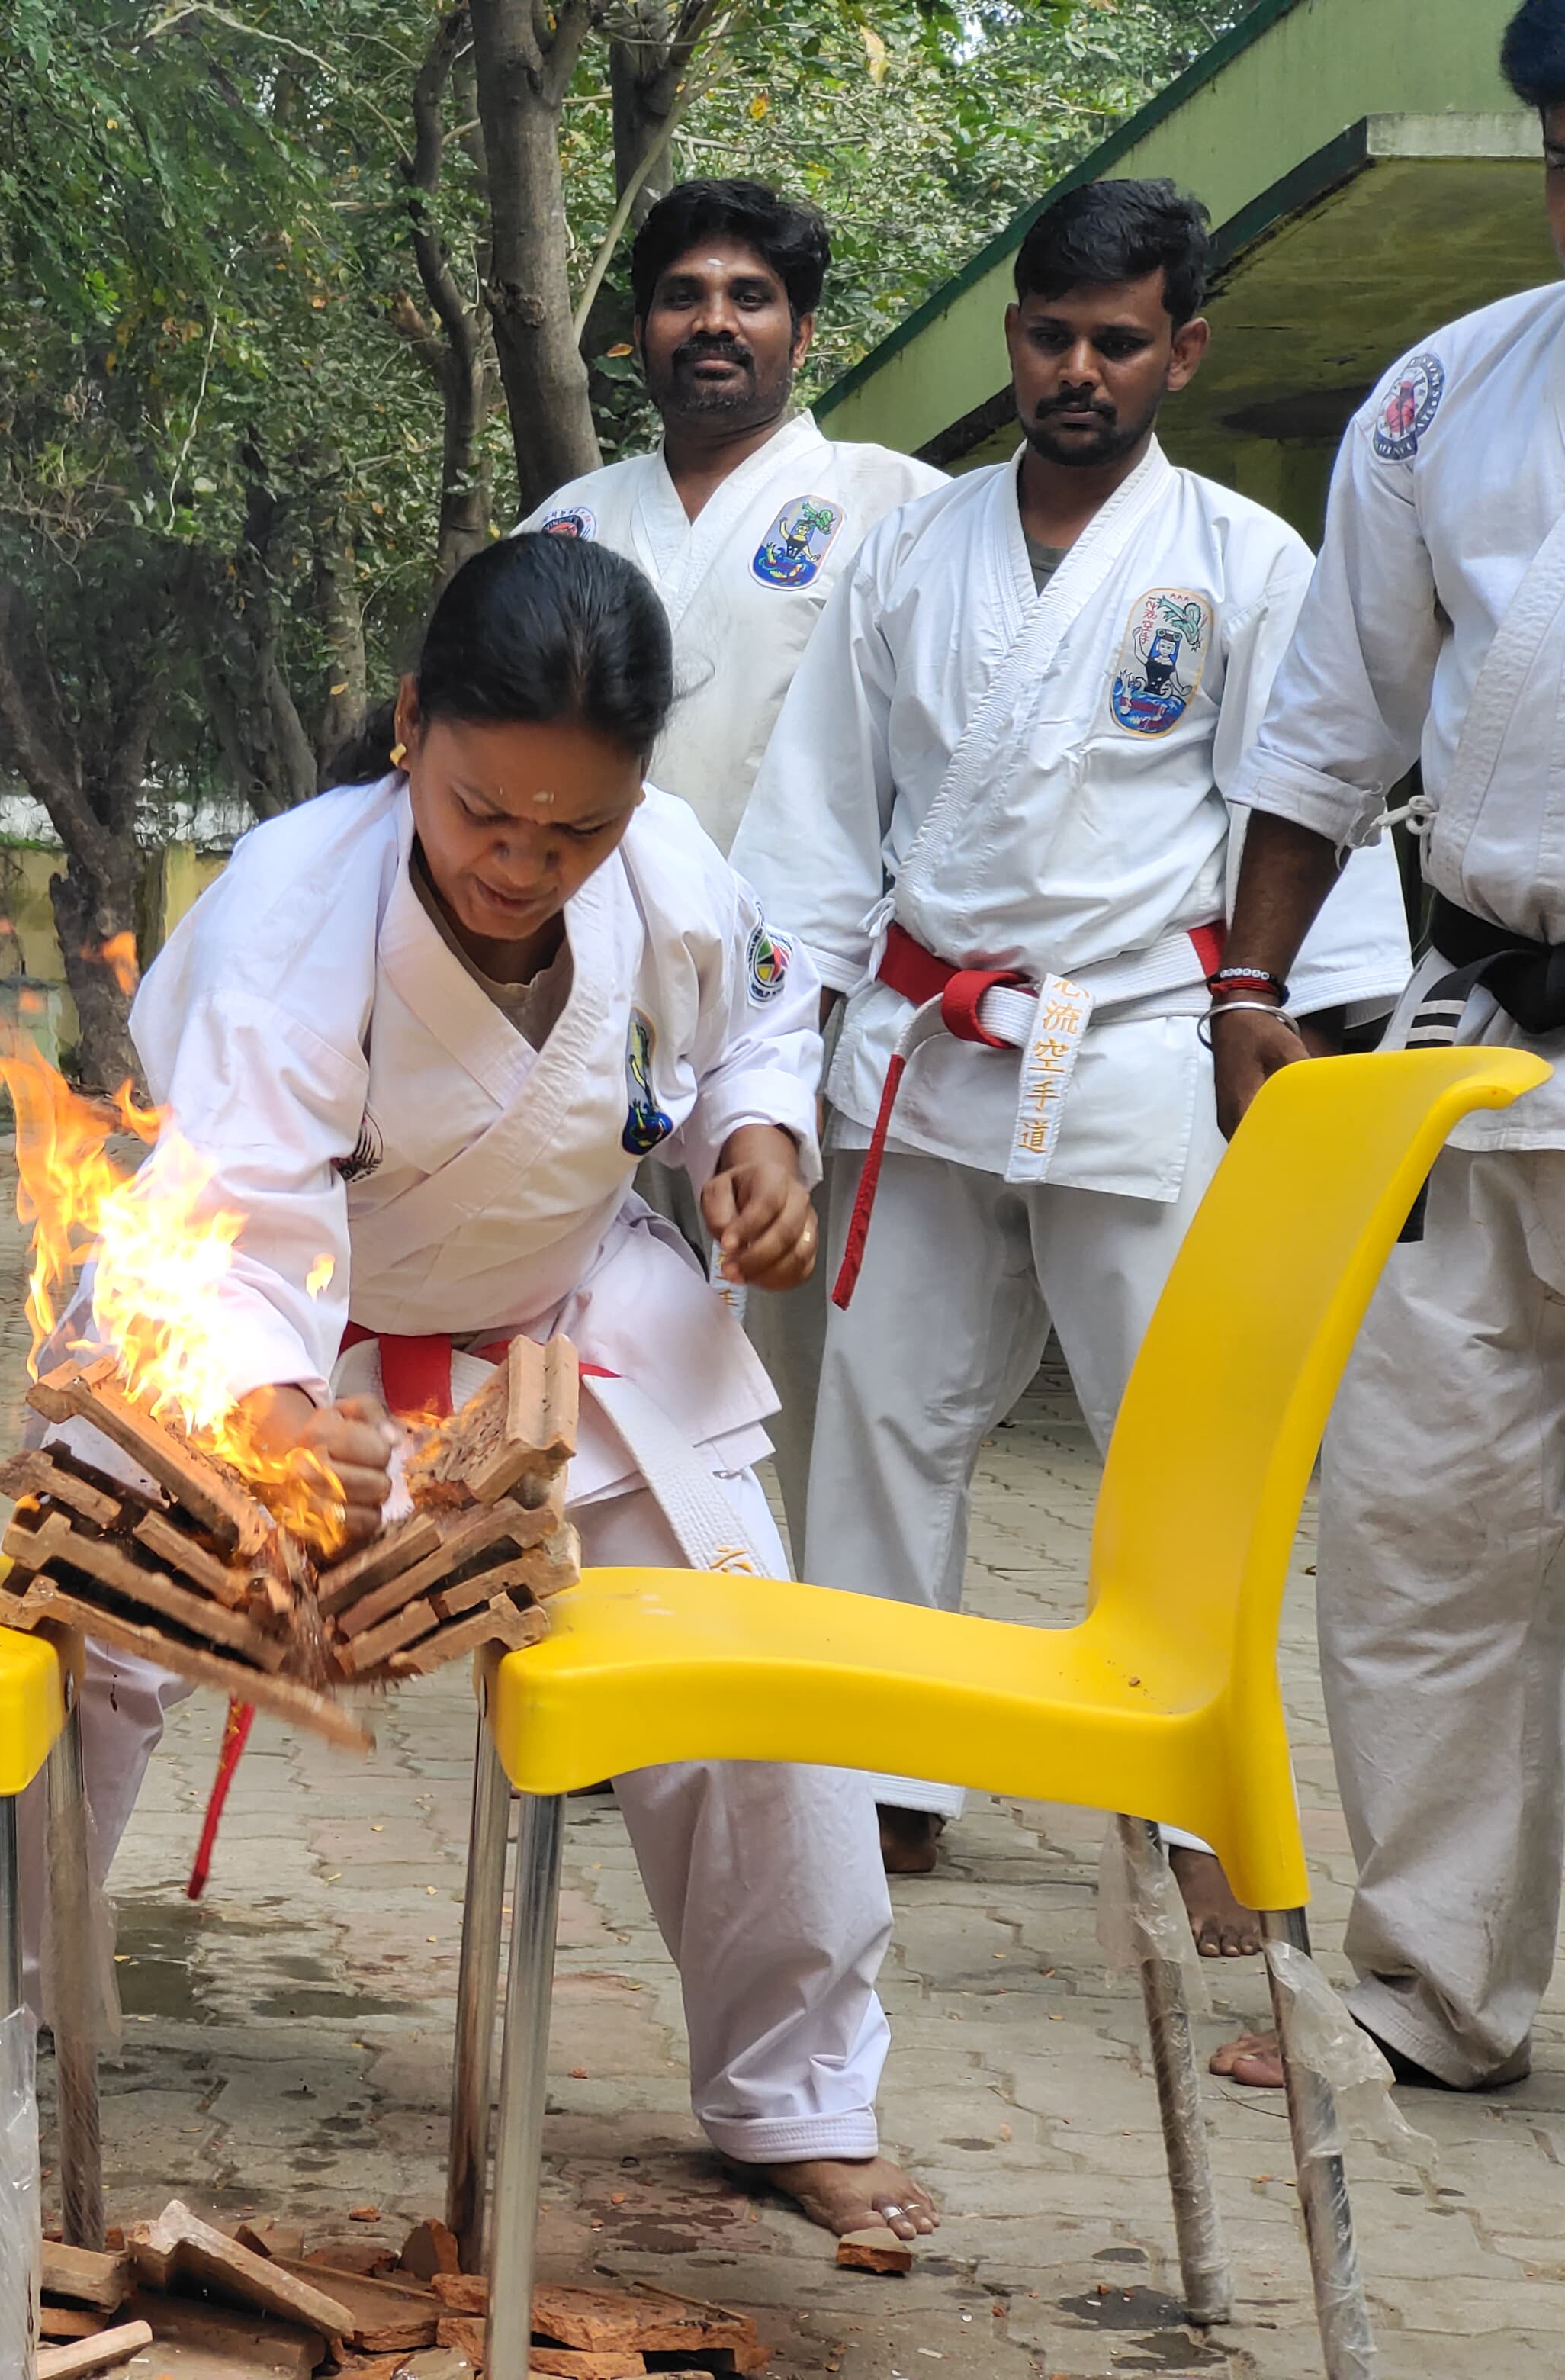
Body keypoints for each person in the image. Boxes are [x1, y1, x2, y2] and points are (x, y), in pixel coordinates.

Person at [0, 536, 936, 2244]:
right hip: (273, 1323)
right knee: (79, 1633)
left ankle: (795, 2094)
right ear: (410, 730)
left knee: (733, 1640)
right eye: (486, 814)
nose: (525, 864)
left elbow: (753, 1014)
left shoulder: (668, 866)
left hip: (559, 1331)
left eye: (576, 831)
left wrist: (755, 1139)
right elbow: (232, 1215)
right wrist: (257, 1415)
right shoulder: (293, 898)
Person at [1207, 0, 1565, 2091]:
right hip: (1468, 1048)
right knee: (1426, 1533)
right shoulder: (1442, 387)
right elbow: (1326, 722)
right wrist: (1249, 986)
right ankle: (1429, 1993)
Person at [736, 179, 1410, 1946]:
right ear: (1011, 336)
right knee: (884, 1422)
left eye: (1120, 341)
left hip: (1134, 1046)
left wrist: (1305, 1057)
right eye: (1050, 336)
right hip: (922, 1042)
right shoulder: (909, 550)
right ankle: (880, 1775)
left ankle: (1201, 1803)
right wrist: (772, 1060)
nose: (1079, 371)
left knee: (1169, 1441)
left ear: (1184, 348)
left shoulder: (1244, 565)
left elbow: (1308, 812)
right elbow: (813, 823)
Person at [517, 178, 943, 1559]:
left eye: (749, 297)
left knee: (819, 1362)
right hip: (588, 1005)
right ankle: (594, 1660)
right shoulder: (567, 525)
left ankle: (810, 1686)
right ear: (637, 330)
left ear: (801, 331)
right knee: (581, 1334)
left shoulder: (895, 507)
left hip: (802, 1000)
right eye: (684, 296)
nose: (715, 323)